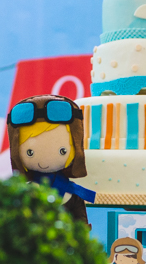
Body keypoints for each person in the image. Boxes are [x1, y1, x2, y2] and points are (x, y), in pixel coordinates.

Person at [7, 94, 94, 224]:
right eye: (29, 152)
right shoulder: (24, 193)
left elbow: (80, 222)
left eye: (62, 151)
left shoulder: (72, 194)